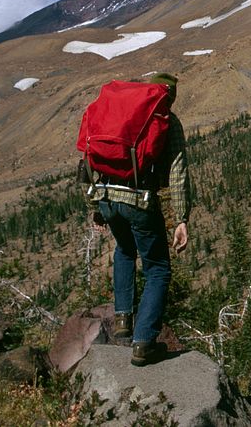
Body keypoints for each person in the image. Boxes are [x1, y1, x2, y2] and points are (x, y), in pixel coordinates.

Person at [86, 72, 192, 366]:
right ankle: (144, 342)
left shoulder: (125, 115)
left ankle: (122, 320)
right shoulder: (166, 121)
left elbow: (93, 156)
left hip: (106, 196)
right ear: (169, 95)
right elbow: (177, 171)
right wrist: (182, 218)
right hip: (138, 200)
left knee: (124, 249)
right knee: (158, 268)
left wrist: (96, 205)